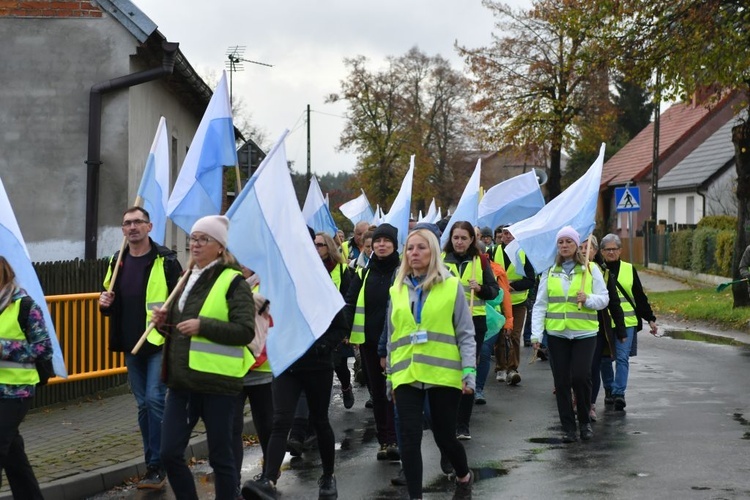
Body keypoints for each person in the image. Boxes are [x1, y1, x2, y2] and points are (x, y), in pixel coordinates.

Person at [150, 215, 255, 500]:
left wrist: (203, 326)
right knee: (169, 453)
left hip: (218, 384)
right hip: (182, 382)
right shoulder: (187, 277)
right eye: (193, 238)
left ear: (220, 246)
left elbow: (245, 331)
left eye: (202, 239)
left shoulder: (233, 281)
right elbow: (178, 331)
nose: (194, 245)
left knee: (221, 457)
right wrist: (163, 322)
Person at [242, 237, 349, 500]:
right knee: (281, 422)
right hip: (287, 364)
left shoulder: (322, 288)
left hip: (317, 366)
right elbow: (262, 317)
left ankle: (327, 477)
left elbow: (340, 327)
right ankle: (268, 478)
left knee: (320, 420)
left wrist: (323, 346)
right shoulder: (278, 289)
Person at [386, 228, 476, 500]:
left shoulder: (451, 286)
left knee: (445, 437)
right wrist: (390, 377)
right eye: (410, 248)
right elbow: (394, 336)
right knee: (410, 440)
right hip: (406, 374)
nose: (414, 253)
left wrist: (469, 372)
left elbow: (465, 332)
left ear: (434, 252)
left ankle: (463, 475)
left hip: (443, 374)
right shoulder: (397, 290)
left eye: (421, 247)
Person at [99, 206, 182, 489]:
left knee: (154, 399)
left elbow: (181, 301)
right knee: (143, 404)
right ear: (123, 230)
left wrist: (168, 321)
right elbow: (109, 298)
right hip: (130, 344)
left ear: (149, 226)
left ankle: (160, 464)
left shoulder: (166, 260)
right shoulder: (117, 260)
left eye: (137, 222)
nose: (132, 227)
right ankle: (153, 463)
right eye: (127, 224)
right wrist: (104, 305)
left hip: (158, 341)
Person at [531, 226, 609, 443]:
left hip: (584, 333)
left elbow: (604, 299)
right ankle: (568, 427)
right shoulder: (550, 271)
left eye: (568, 242)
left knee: (581, 377)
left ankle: (584, 421)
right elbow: (540, 305)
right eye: (560, 242)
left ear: (577, 246)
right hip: (557, 334)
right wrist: (536, 335)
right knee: (562, 381)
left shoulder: (590, 269)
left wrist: (588, 298)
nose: (564, 246)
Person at [345, 223, 400, 461]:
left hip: (398, 342)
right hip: (368, 342)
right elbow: (349, 303)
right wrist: (343, 331)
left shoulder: (402, 272)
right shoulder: (363, 273)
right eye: (378, 241)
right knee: (378, 394)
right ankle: (386, 441)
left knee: (397, 392)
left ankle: (399, 439)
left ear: (395, 245)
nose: (381, 245)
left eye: (387, 241)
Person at [0, 256, 52, 499]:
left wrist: (4, 348)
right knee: (14, 457)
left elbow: (43, 348)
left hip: (16, 392)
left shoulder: (25, 305)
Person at [443, 221, 498, 439]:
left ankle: (463, 424)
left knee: (467, 371)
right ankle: (447, 418)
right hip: (445, 323)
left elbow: (494, 291)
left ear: (471, 240)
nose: (459, 242)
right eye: (456, 237)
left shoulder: (480, 261)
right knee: (447, 371)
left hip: (474, 324)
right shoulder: (440, 260)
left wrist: (481, 289)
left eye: (464, 238)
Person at [599, 233, 658, 411]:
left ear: (620, 250)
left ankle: (619, 393)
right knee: (604, 359)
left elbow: (639, 296)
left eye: (614, 249)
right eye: (607, 249)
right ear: (601, 251)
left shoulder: (628, 269)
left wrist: (650, 319)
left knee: (622, 358)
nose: (611, 252)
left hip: (628, 321)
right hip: (604, 323)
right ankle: (609, 389)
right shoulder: (596, 269)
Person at [232, 276, 274, 494]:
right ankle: (233, 481)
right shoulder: (225, 282)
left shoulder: (267, 283)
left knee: (266, 425)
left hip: (261, 367)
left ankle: (270, 474)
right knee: (232, 427)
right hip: (232, 368)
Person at [579, 235, 626, 422]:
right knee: (577, 371)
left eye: (587, 247)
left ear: (595, 251)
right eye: (580, 247)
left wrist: (620, 330)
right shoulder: (568, 270)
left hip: (597, 329)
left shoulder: (603, 272)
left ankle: (590, 404)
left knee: (592, 368)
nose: (583, 251)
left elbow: (614, 302)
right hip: (573, 328)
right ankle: (577, 399)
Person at [315, 231, 354, 408]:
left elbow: (348, 298)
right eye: (314, 244)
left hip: (336, 325)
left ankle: (346, 387)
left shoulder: (341, 268)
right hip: (317, 325)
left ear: (329, 246)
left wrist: (346, 329)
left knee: (340, 365)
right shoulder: (310, 266)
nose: (316, 248)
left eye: (320, 245)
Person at [494, 225, 535, 385]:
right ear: (501, 236)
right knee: (499, 337)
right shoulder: (492, 252)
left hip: (518, 303)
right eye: (505, 233)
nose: (508, 236)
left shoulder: (523, 253)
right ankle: (500, 368)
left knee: (514, 336)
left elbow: (531, 280)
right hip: (498, 303)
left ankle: (513, 369)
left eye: (511, 233)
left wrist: (513, 286)